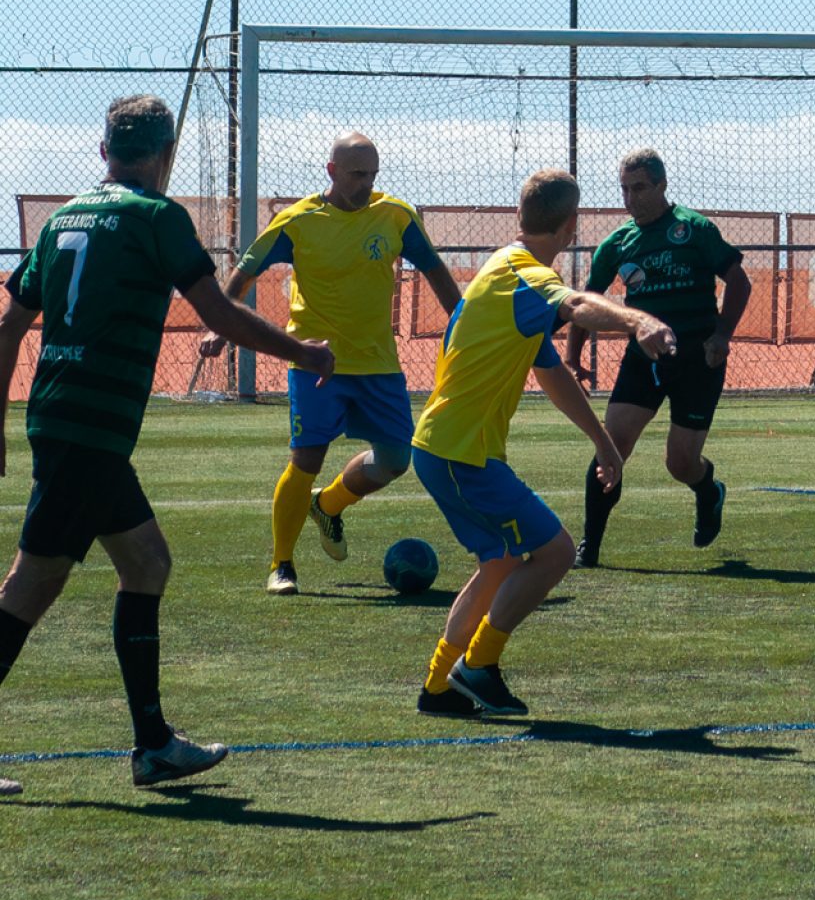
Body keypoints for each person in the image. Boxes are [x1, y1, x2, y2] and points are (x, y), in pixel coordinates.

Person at [0, 95, 335, 795]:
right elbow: (215, 312)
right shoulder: (158, 217)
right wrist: (301, 353)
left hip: (64, 420)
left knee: (148, 562)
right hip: (91, 429)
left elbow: (9, 324)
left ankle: (153, 746)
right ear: (166, 155)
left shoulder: (62, 216)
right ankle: (151, 745)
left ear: (104, 151)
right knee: (30, 587)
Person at [413, 169, 676, 717]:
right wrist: (639, 322)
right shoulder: (526, 277)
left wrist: (604, 443)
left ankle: (439, 685)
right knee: (554, 551)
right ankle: (478, 667)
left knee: (501, 562)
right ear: (571, 226)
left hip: (446, 449)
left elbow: (552, 374)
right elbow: (578, 306)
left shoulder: (504, 270)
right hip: (461, 453)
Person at [200, 132, 460, 595]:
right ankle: (282, 564)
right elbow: (245, 272)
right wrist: (221, 326)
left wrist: (462, 325)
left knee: (398, 460)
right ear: (332, 171)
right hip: (316, 362)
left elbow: (436, 270)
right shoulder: (296, 221)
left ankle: (330, 505)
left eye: (373, 174)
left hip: (378, 363)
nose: (366, 183)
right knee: (306, 459)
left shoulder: (396, 216)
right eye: (358, 174)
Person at [565, 148, 751, 568]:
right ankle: (589, 546)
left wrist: (722, 334)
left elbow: (739, 281)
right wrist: (573, 357)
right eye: (625, 190)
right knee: (612, 445)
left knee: (680, 463)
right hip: (644, 359)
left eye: (641, 188)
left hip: (698, 362)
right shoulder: (617, 244)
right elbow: (583, 303)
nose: (632, 199)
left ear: (663, 186)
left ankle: (707, 489)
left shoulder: (694, 229)